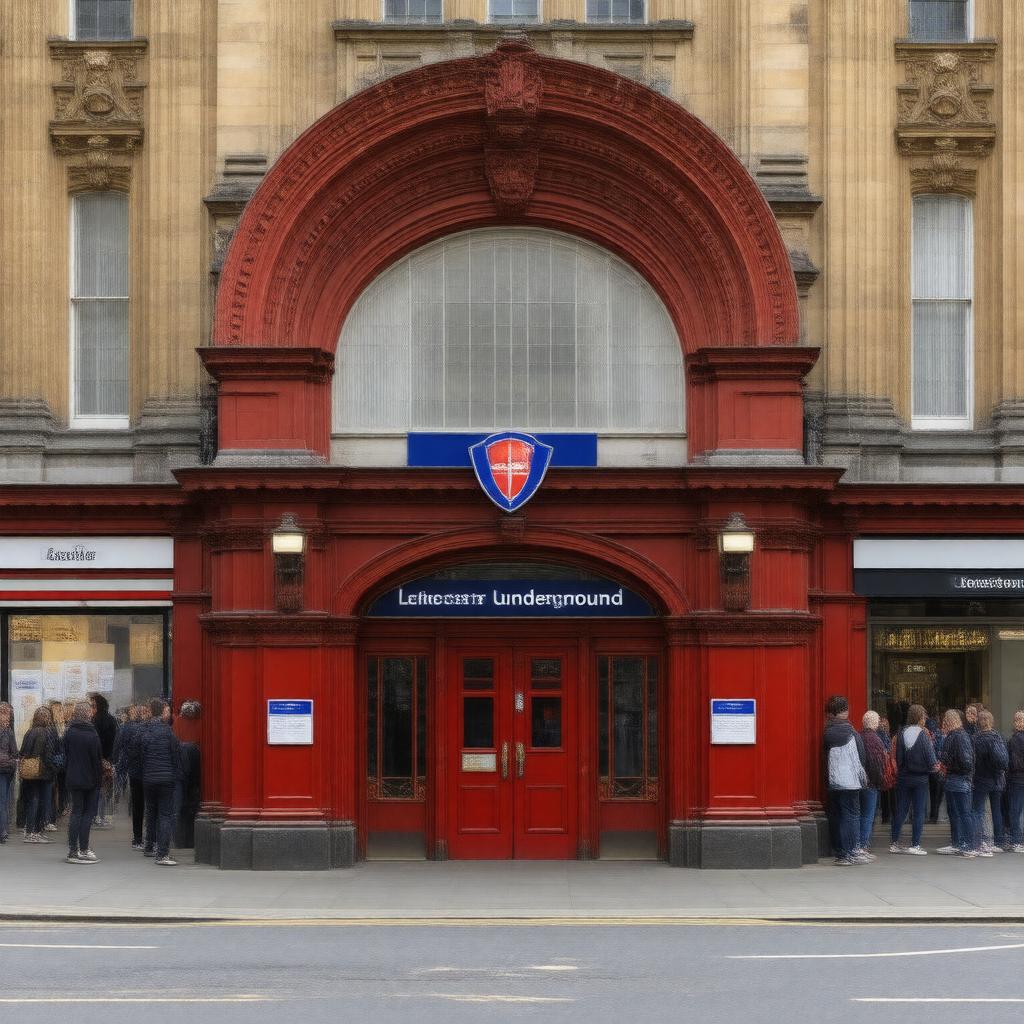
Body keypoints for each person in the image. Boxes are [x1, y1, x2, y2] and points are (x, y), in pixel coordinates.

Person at [822, 695, 868, 866]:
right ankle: (852, 851)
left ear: (830, 713)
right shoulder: (852, 731)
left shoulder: (827, 733)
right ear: (846, 711)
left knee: (838, 815)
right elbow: (862, 758)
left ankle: (841, 852)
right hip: (852, 782)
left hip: (834, 782)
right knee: (852, 815)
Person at [889, 703, 938, 855]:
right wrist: (933, 767)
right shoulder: (923, 734)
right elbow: (931, 758)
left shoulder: (901, 732)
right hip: (920, 778)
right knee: (918, 812)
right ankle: (915, 844)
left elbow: (898, 757)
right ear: (919, 717)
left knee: (901, 811)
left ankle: (894, 843)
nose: (925, 719)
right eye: (924, 716)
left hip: (904, 777)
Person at [140, 698, 182, 866]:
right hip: (166, 779)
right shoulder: (168, 732)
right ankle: (162, 853)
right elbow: (175, 755)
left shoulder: (145, 731)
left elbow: (142, 756)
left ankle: (149, 846)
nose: (168, 714)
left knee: (151, 813)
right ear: (161, 712)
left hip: (149, 779)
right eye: (166, 711)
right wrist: (174, 774)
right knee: (165, 815)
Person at [63, 700, 103, 864]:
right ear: (87, 714)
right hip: (90, 780)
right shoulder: (92, 734)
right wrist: (99, 781)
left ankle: (73, 849)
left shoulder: (69, 732)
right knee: (87, 814)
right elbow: (96, 760)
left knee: (76, 812)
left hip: (73, 778)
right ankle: (84, 848)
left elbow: (65, 754)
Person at [937, 709, 976, 857]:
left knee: (962, 813)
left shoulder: (958, 736)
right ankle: (959, 844)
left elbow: (966, 762)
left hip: (958, 779)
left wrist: (948, 764)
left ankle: (967, 845)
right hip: (956, 779)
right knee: (956, 813)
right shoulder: (957, 736)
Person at [972, 709, 1009, 854]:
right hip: (997, 778)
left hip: (981, 778)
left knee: (978, 811)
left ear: (979, 722)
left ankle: (978, 841)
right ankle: (998, 841)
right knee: (996, 810)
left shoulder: (975, 738)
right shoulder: (997, 736)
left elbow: (974, 761)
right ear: (991, 721)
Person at [19, 706, 58, 844]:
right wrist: (54, 767)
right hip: (41, 773)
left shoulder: (30, 732)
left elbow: (23, 751)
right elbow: (47, 756)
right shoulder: (44, 733)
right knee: (38, 802)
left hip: (29, 772)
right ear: (46, 718)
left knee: (31, 801)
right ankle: (33, 832)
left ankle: (30, 830)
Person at [119, 702, 150, 851]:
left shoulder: (126, 728)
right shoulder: (147, 729)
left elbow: (124, 748)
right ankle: (150, 839)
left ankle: (137, 838)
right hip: (148, 772)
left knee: (138, 806)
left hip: (134, 772)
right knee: (149, 806)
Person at [856, 710, 887, 860]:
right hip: (870, 783)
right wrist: (879, 781)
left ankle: (857, 844)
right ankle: (863, 845)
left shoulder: (857, 737)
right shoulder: (876, 739)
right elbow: (877, 764)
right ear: (875, 723)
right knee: (868, 815)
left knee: (857, 814)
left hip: (857, 782)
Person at [89, 693, 117, 828]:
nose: (91, 708)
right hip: (107, 760)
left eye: (93, 705)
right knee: (105, 789)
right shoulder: (112, 720)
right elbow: (114, 741)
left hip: (95, 760)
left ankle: (95, 816)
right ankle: (103, 815)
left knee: (96, 788)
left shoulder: (93, 722)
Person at [0, 701, 17, 844]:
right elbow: (14, 752)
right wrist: (11, 764)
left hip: (4, 769)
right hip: (4, 770)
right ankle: (2, 832)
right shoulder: (8, 731)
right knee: (3, 801)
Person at [1007, 710, 1024, 854]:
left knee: (1015, 810)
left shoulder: (1015, 740)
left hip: (1018, 779)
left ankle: (1016, 841)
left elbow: (1014, 762)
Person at [926, 711, 946, 824]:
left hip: (931, 768)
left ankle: (933, 815)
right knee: (938, 794)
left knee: (933, 793)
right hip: (939, 768)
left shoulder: (927, 736)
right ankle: (935, 815)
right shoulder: (940, 736)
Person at [878, 717, 893, 824]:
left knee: (884, 793)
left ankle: (885, 816)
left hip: (881, 767)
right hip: (886, 767)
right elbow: (888, 750)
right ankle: (887, 816)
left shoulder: (879, 735)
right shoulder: (885, 736)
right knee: (888, 791)